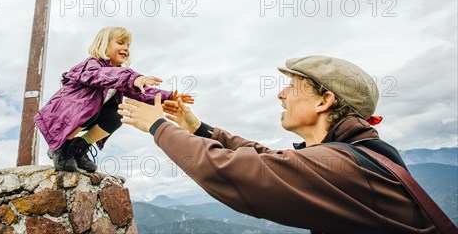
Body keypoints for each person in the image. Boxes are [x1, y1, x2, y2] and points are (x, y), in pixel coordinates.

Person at [118, 55, 446, 233]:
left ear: (325, 100)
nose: (281, 93)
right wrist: (197, 127)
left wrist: (157, 125)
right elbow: (270, 157)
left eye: (292, 86)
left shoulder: (344, 165)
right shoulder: (354, 155)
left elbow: (232, 171)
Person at [34, 26, 193, 173]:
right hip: (62, 116)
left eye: (128, 45)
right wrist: (133, 78)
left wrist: (169, 96)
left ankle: (78, 148)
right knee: (90, 107)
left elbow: (140, 91)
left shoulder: (120, 74)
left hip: (87, 115)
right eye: (120, 43)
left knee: (117, 114)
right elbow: (100, 76)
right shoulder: (91, 65)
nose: (126, 48)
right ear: (104, 45)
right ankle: (60, 147)